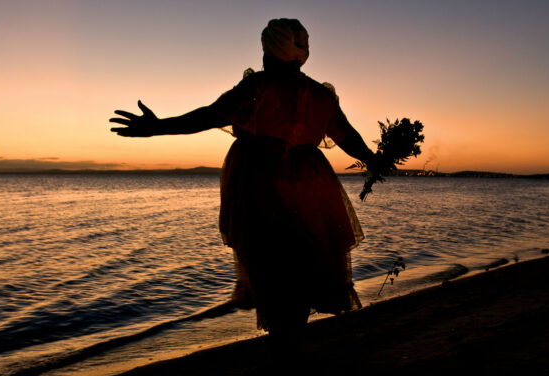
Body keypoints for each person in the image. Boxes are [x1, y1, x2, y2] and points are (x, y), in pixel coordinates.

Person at [110, 18, 375, 349]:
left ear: (270, 52)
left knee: (270, 265)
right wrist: (375, 159)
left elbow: (207, 116)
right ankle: (294, 337)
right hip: (311, 187)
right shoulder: (321, 96)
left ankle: (286, 344)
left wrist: (157, 127)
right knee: (303, 262)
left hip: (260, 186)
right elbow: (348, 136)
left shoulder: (257, 88)